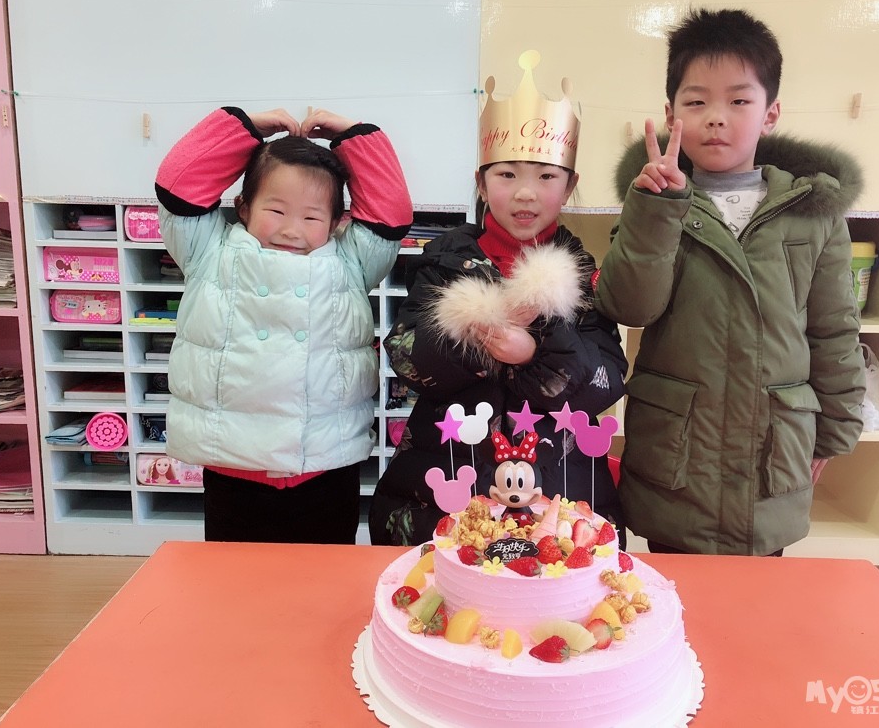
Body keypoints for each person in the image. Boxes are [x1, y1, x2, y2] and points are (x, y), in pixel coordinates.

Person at [594, 8, 866, 556]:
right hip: (678, 457)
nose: (716, 118)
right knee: (670, 595)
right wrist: (656, 208)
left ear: (770, 113)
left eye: (739, 101)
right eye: (696, 102)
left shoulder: (811, 212)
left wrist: (836, 430)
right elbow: (630, 306)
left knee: (756, 598)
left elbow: (834, 330)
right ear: (671, 114)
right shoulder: (654, 202)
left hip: (772, 451)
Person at [368, 51, 628, 546]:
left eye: (546, 176)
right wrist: (477, 337)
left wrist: (536, 354)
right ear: (481, 184)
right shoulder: (444, 262)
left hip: (558, 484)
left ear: (570, 186)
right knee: (451, 580)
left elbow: (606, 379)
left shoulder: (582, 273)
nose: (526, 193)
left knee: (556, 579)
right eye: (507, 175)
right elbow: (404, 355)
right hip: (454, 478)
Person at [156, 106, 412, 543]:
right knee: (236, 577)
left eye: (311, 217)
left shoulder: (349, 262)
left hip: (327, 466)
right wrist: (244, 129)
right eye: (276, 210)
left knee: (324, 578)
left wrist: (355, 136)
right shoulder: (209, 250)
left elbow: (390, 216)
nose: (292, 230)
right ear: (243, 207)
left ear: (337, 222)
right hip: (232, 466)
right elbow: (179, 188)